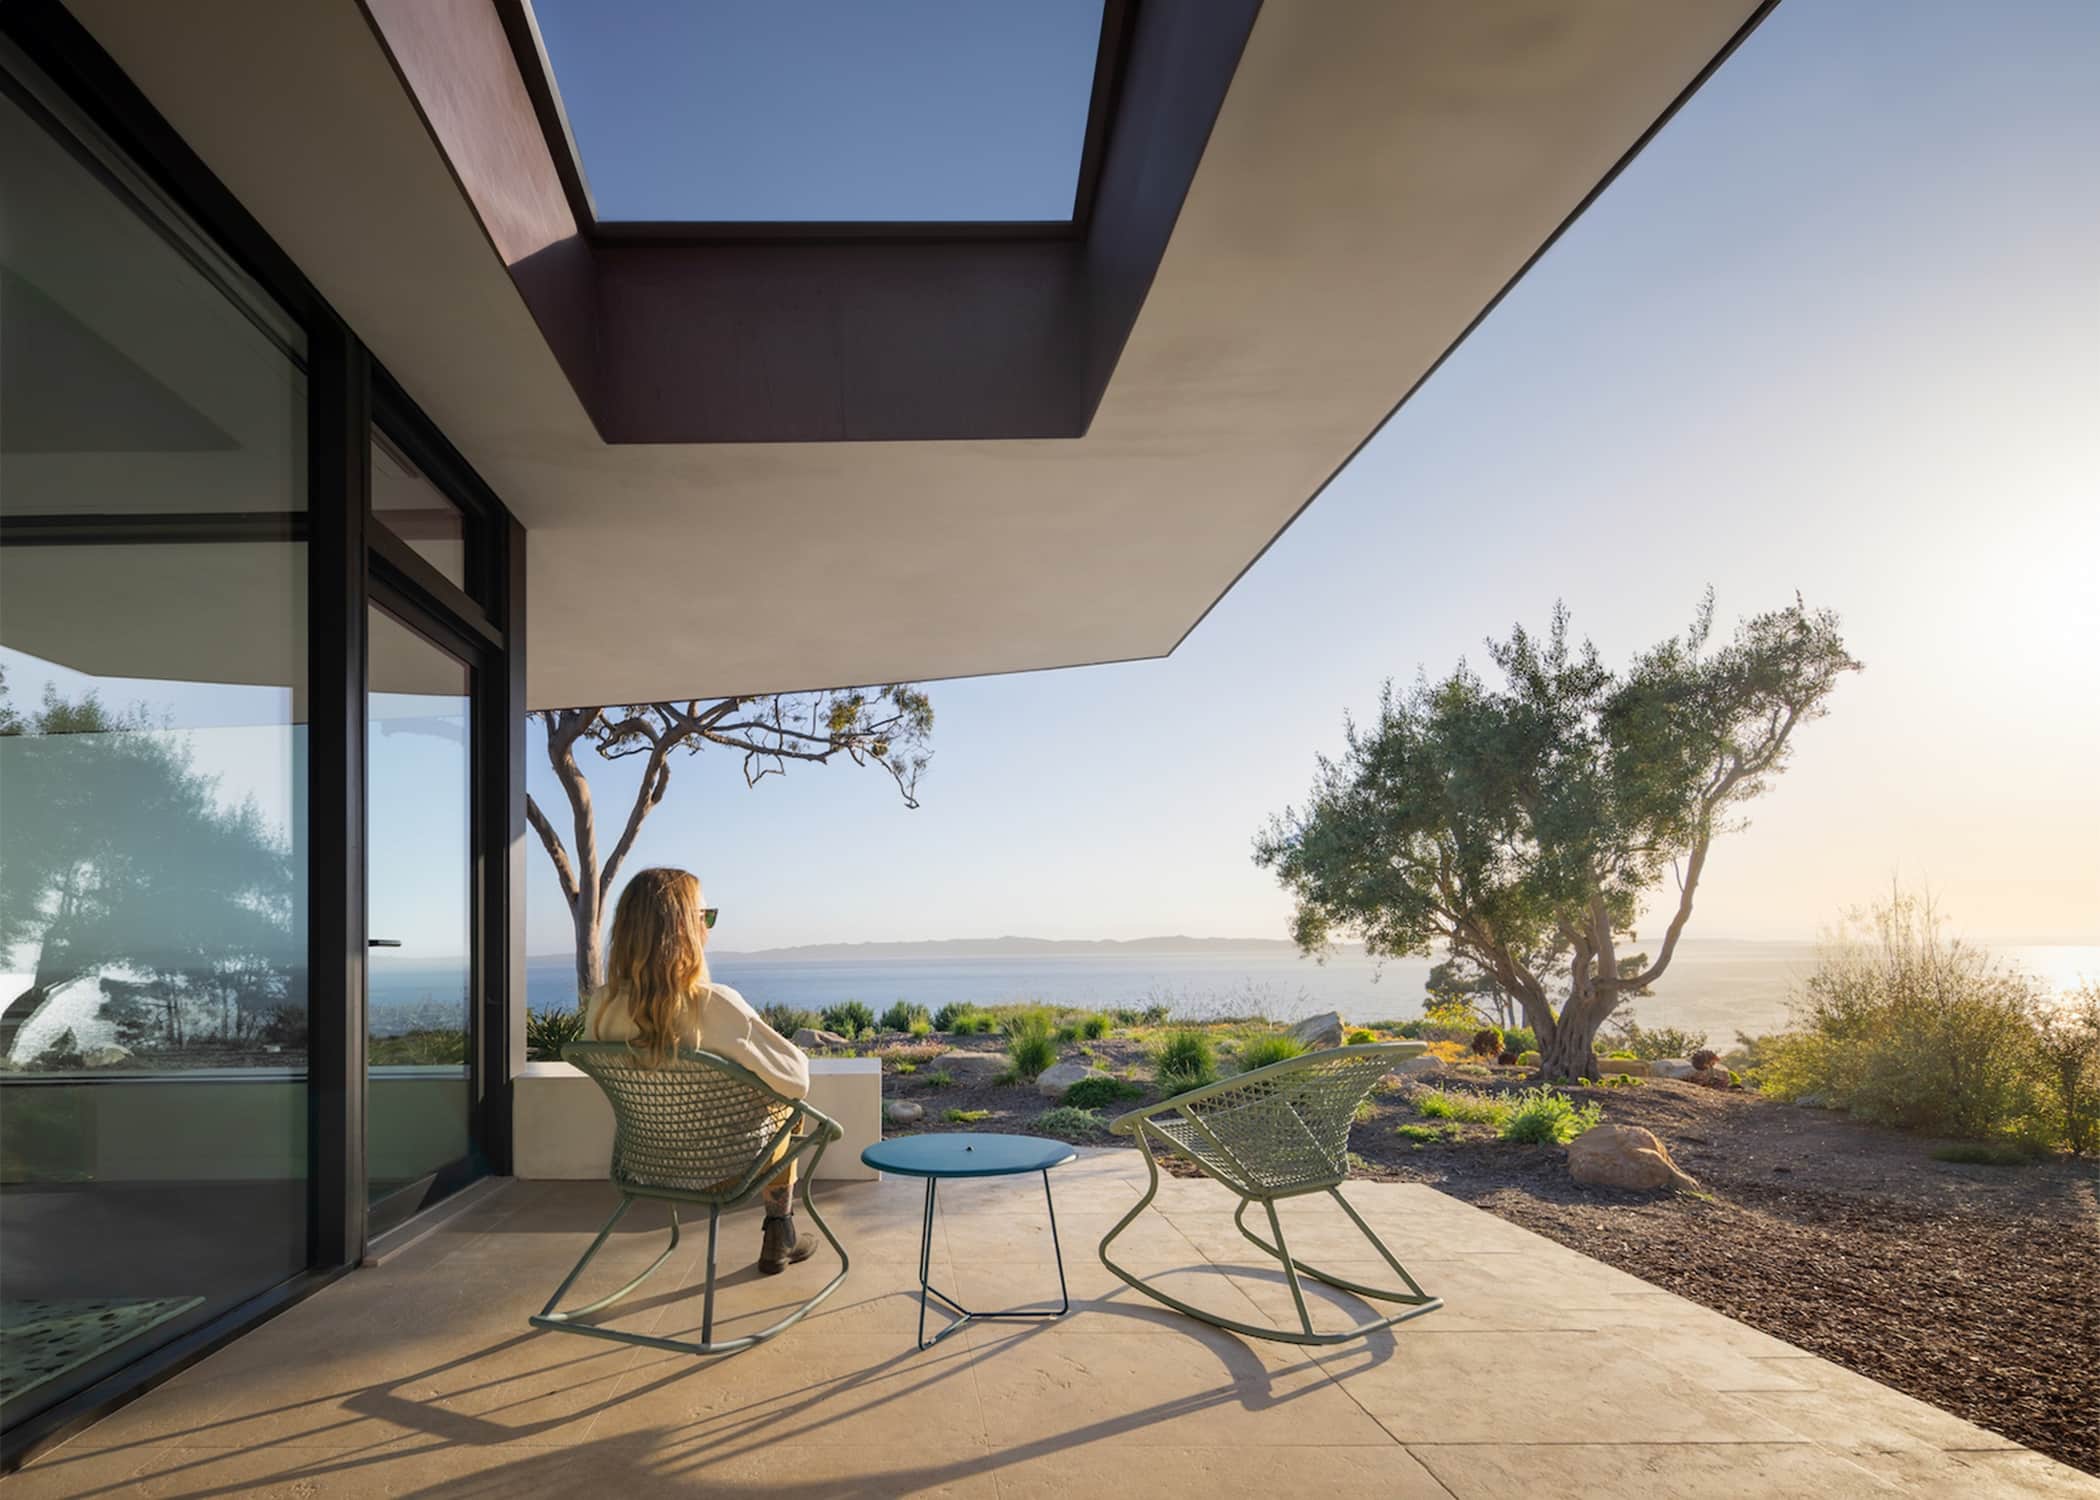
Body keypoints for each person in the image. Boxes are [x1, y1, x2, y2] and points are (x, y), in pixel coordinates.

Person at [583, 867, 816, 1275]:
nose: (709, 927)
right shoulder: (714, 1004)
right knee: (789, 1108)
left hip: (646, 1163)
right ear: (683, 929)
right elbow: (797, 1079)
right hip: (724, 1170)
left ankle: (782, 1231)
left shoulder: (601, 1007)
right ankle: (780, 1227)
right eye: (704, 916)